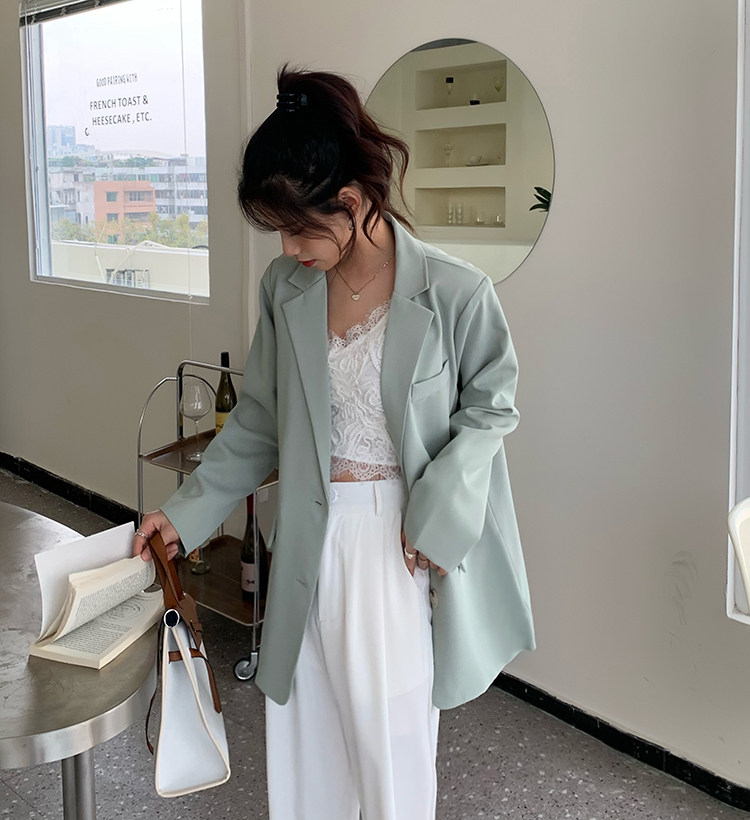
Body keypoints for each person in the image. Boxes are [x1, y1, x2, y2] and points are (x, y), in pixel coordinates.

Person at [133, 65, 535, 820]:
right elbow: (260, 419)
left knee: (390, 759)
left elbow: (492, 408)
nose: (288, 248)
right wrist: (184, 516)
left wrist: (441, 510)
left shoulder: (454, 292)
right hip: (307, 539)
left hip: (397, 549)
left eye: (298, 228)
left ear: (350, 201)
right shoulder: (286, 291)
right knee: (305, 750)